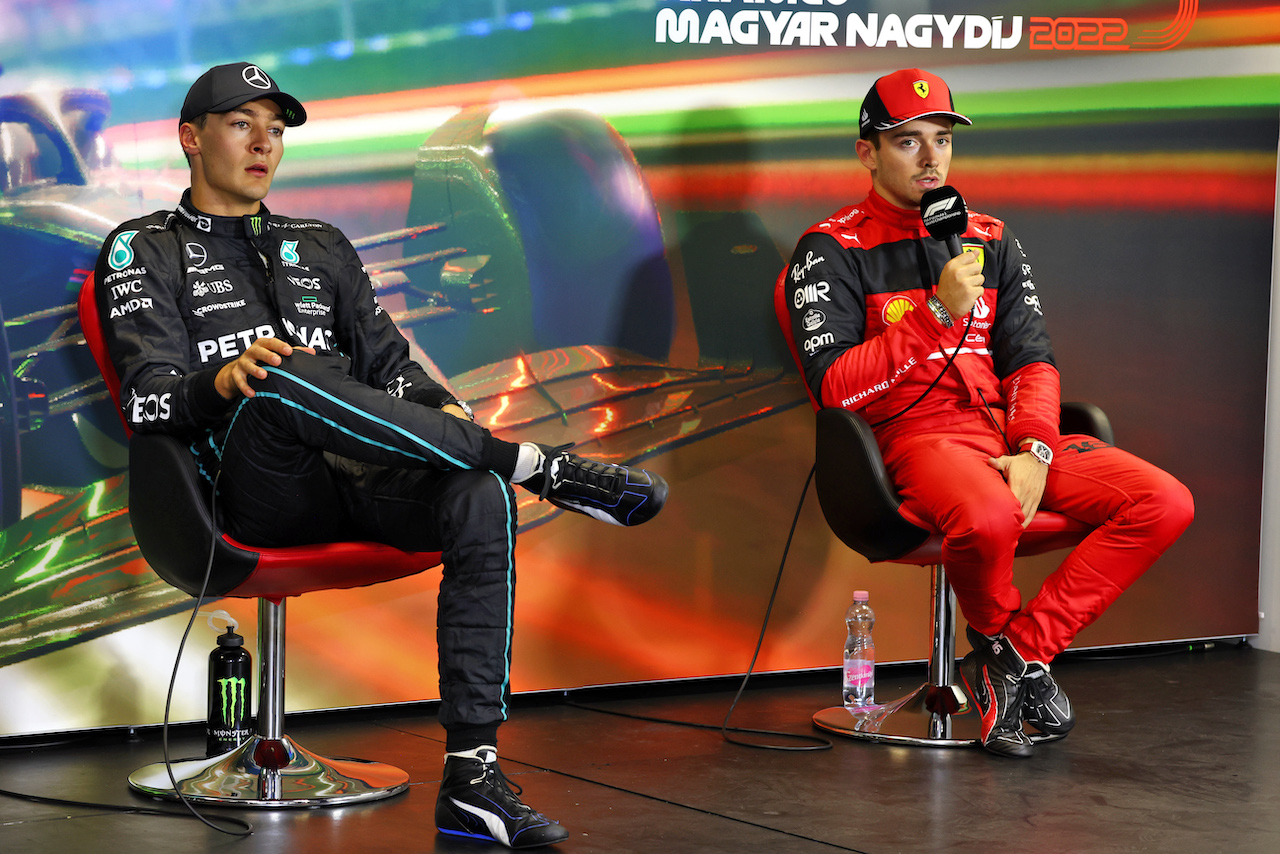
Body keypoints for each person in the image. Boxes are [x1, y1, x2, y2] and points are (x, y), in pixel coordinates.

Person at [95, 62, 669, 847]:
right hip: (240, 489)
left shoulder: (321, 246)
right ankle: (544, 467)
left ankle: (472, 776)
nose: (264, 143)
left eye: (276, 129)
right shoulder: (143, 247)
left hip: (356, 477)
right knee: (280, 375)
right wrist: (220, 380)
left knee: (476, 493)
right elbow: (144, 398)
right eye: (241, 125)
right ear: (191, 139)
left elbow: (393, 368)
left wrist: (442, 410)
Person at [781, 68, 1193, 758]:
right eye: (907, 141)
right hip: (912, 442)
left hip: (1005, 434)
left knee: (1164, 502)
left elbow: (1032, 360)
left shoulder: (989, 237)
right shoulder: (830, 250)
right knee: (989, 515)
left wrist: (1034, 449)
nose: (931, 156)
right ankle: (1006, 648)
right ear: (867, 153)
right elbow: (836, 391)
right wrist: (938, 311)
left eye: (940, 139)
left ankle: (1014, 658)